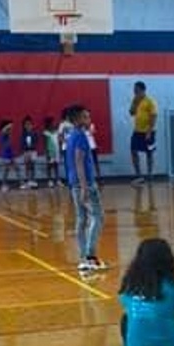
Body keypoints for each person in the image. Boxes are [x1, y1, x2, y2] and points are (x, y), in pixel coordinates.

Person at [64, 105, 107, 271]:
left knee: (81, 219)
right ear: (76, 120)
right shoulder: (80, 136)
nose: (88, 120)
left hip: (73, 182)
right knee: (98, 216)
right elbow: (79, 161)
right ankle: (90, 256)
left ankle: (83, 257)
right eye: (85, 117)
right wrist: (84, 187)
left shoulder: (71, 136)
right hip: (85, 183)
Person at [129, 81, 158, 185]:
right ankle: (139, 176)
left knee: (149, 153)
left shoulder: (150, 101)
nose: (134, 91)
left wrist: (149, 131)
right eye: (134, 90)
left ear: (142, 90)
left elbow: (154, 116)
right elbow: (131, 113)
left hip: (148, 131)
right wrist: (134, 103)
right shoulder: (136, 100)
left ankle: (150, 175)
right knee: (133, 151)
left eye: (136, 89)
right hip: (137, 131)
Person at [0, 119, 19, 191]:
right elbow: (4, 130)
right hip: (5, 154)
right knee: (6, 170)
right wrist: (9, 125)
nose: (11, 128)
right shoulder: (3, 133)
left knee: (16, 167)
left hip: (10, 153)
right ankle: (3, 185)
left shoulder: (8, 133)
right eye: (10, 127)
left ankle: (22, 182)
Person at [19, 115, 39, 189]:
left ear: (32, 124)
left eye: (29, 124)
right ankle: (28, 180)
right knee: (27, 166)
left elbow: (36, 140)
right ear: (24, 125)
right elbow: (21, 143)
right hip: (26, 151)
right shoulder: (23, 134)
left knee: (33, 165)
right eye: (26, 124)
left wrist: (33, 146)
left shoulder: (34, 133)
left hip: (33, 151)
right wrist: (23, 149)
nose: (28, 126)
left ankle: (33, 180)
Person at [43, 116, 60, 187]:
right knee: (49, 166)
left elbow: (59, 141)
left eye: (54, 123)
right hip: (50, 151)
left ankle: (57, 180)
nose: (53, 124)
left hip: (56, 150)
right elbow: (45, 143)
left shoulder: (56, 131)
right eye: (52, 123)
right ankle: (50, 180)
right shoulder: (46, 133)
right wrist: (47, 153)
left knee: (56, 165)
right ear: (48, 124)